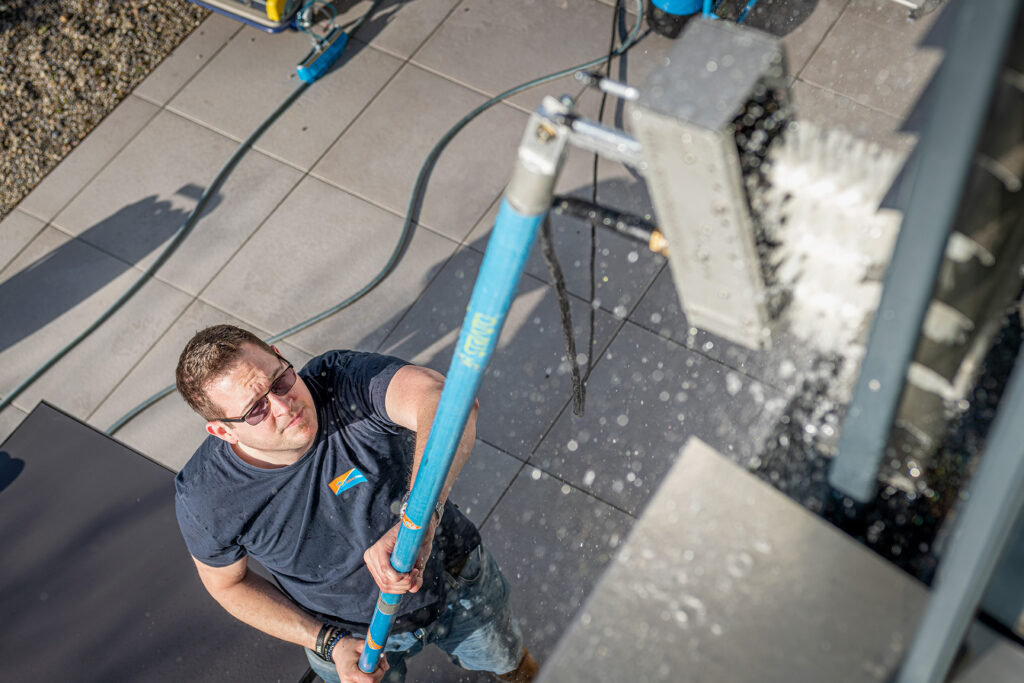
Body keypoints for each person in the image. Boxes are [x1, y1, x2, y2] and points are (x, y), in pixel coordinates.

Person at [173, 325, 539, 683]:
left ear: (280, 356)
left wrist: (420, 518)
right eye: (256, 410)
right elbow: (227, 585)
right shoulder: (207, 497)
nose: (284, 406)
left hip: (454, 578)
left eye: (281, 380)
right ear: (223, 431)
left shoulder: (342, 381)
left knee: (511, 664)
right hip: (348, 640)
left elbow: (448, 403)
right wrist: (327, 642)